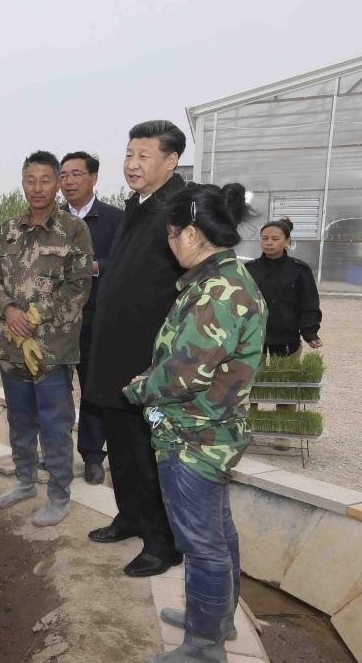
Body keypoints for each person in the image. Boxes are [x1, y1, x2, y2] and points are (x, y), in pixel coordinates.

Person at [123, 182, 266, 663]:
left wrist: (139, 388)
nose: (169, 245)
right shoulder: (225, 279)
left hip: (194, 436)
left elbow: (183, 375)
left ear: (190, 233)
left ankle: (204, 647)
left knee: (203, 545)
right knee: (218, 533)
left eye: (170, 235)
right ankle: (215, 620)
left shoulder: (217, 292)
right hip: (212, 429)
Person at [83, 119, 187, 578]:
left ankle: (163, 543)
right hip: (114, 354)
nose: (132, 164)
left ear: (171, 160)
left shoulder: (180, 209)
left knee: (149, 453)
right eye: (129, 154)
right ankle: (130, 516)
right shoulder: (138, 205)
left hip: (148, 358)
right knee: (121, 446)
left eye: (144, 155)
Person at [0, 151, 93, 526]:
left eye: (45, 180)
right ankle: (25, 482)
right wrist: (9, 311)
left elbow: (79, 287)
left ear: (58, 183)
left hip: (53, 350)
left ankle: (59, 495)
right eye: (30, 180)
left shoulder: (73, 229)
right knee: (19, 422)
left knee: (55, 426)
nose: (37, 187)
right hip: (10, 347)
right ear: (23, 183)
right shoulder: (7, 230)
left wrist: (35, 315)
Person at [57, 151, 124, 484]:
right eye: (63, 175)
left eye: (76, 174)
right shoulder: (50, 220)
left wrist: (95, 267)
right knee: (54, 390)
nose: (68, 182)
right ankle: (55, 453)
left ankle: (93, 456)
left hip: (96, 318)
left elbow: (127, 262)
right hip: (56, 322)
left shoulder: (116, 219)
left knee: (93, 389)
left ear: (93, 178)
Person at [245, 218, 322, 357]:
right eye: (264, 238)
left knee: (286, 370)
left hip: (287, 337)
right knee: (253, 370)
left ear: (287, 241)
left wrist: (310, 332)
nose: (269, 242)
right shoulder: (249, 269)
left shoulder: (299, 269)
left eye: (275, 239)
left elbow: (309, 303)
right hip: (254, 336)